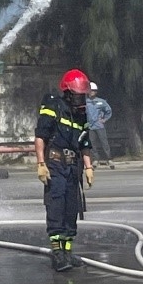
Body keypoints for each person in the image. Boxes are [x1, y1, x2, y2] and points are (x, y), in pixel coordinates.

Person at [34, 69, 95, 272]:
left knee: (72, 208)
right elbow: (41, 136)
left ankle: (68, 251)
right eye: (78, 94)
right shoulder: (53, 107)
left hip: (73, 165)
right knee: (56, 206)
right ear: (68, 92)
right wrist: (41, 163)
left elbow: (85, 142)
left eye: (83, 94)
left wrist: (88, 167)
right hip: (55, 163)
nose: (82, 98)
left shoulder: (81, 115)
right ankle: (57, 253)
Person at [86, 82, 116, 169]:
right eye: (90, 91)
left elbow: (108, 111)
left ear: (96, 92)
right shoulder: (86, 102)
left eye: (93, 91)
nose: (91, 92)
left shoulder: (101, 102)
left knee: (104, 143)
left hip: (99, 126)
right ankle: (95, 160)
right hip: (90, 126)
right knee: (92, 144)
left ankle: (109, 159)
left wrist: (104, 120)